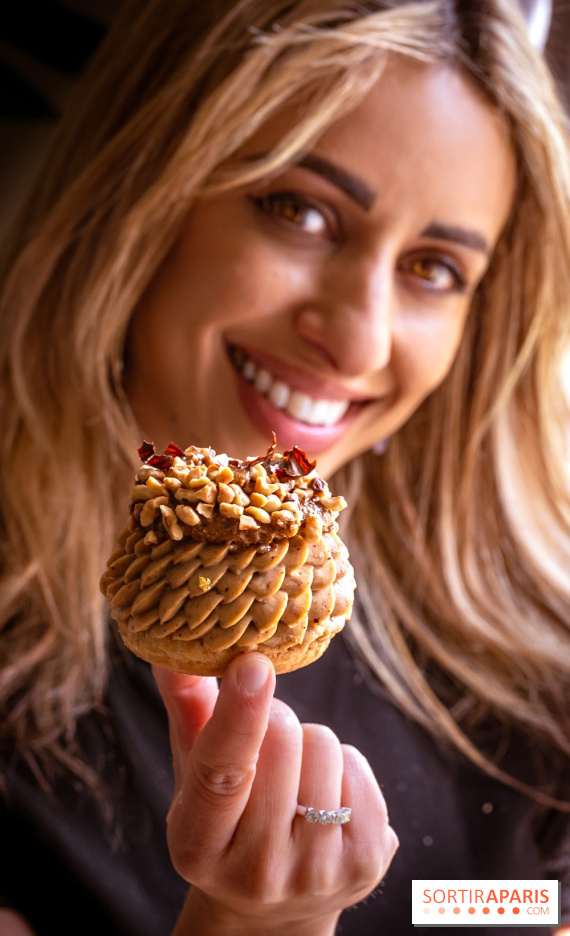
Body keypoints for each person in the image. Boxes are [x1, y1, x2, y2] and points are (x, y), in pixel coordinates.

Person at [0, 0, 569, 933]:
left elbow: (523, 905)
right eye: (299, 211)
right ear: (142, 196)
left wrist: (419, 910)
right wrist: (246, 923)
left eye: (433, 268)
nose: (360, 342)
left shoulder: (528, 658)